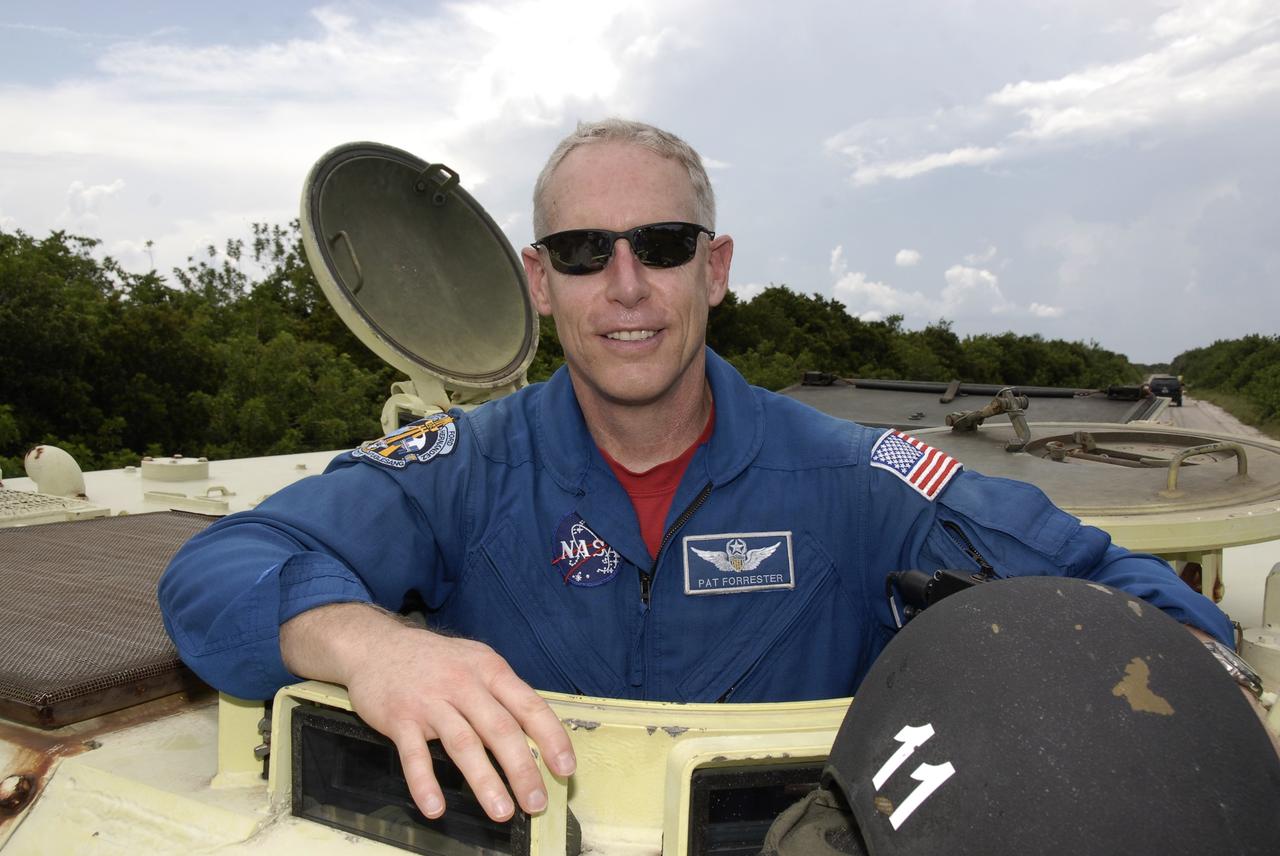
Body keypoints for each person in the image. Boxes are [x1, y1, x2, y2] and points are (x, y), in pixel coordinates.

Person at [157, 118, 1234, 826]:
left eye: (661, 244)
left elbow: (1122, 601)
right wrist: (369, 642)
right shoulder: (467, 467)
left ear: (713, 268)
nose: (624, 286)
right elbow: (219, 572)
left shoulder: (853, 475)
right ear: (539, 282)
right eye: (583, 252)